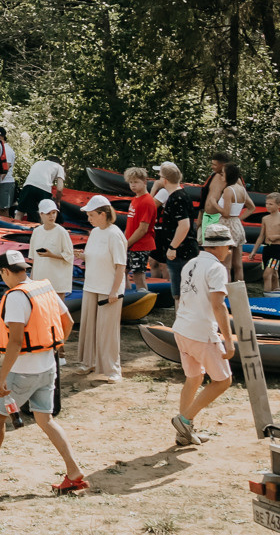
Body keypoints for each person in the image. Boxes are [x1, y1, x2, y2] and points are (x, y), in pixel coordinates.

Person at [0, 251, 87, 492]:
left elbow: (16, 341)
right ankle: (74, 472)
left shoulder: (16, 297)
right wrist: (54, 348)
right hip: (48, 366)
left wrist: (4, 376)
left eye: (1, 274)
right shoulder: (44, 289)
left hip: (23, 371)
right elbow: (68, 322)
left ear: (5, 272)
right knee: (45, 419)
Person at [171, 227, 238, 446]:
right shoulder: (216, 268)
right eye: (227, 246)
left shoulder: (190, 263)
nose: (228, 250)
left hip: (182, 327)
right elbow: (218, 306)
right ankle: (184, 420)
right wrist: (228, 340)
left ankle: (184, 433)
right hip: (201, 332)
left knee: (194, 378)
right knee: (223, 380)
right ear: (218, 246)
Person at [75, 195, 128, 383]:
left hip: (108, 289)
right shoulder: (95, 233)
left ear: (103, 214)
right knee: (89, 327)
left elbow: (121, 265)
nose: (89, 219)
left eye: (91, 215)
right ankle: (88, 362)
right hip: (91, 285)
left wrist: (114, 291)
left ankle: (113, 369)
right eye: (88, 215)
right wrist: (80, 255)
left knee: (107, 331)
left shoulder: (115, 235)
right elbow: (91, 256)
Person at [155, 162, 197, 279]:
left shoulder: (176, 198)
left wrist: (173, 247)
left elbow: (184, 225)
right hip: (181, 250)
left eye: (160, 177)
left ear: (165, 180)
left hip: (181, 252)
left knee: (180, 289)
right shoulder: (179, 195)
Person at [27, 199, 76, 293]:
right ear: (41, 214)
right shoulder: (36, 232)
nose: (52, 216)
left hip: (57, 282)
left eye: (53, 212)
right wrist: (32, 281)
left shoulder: (62, 232)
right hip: (39, 282)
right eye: (48, 213)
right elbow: (34, 260)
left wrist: (51, 255)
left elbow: (69, 255)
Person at [123, 166, 158, 296]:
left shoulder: (147, 201)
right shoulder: (135, 199)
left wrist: (127, 243)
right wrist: (124, 240)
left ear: (144, 182)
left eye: (136, 182)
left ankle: (143, 297)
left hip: (140, 244)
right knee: (123, 270)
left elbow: (143, 228)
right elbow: (131, 223)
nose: (133, 185)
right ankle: (125, 295)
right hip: (131, 243)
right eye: (131, 182)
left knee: (138, 273)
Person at [17, 155, 67, 222]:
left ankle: (14, 225)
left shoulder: (38, 163)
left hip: (28, 186)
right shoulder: (59, 167)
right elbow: (60, 188)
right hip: (44, 188)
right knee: (46, 213)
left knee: (20, 212)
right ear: (58, 163)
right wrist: (57, 201)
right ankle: (44, 229)